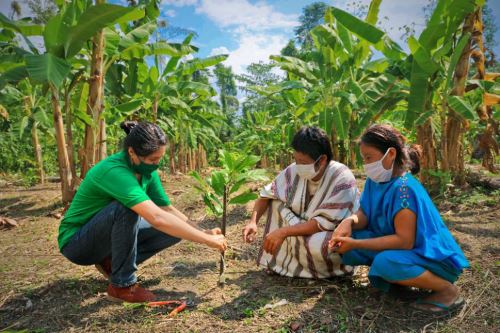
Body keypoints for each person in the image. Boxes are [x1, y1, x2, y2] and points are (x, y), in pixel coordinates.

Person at [58, 121, 227, 303]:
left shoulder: (146, 170)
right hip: (77, 243)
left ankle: (113, 263)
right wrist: (207, 241)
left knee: (174, 230)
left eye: (159, 158)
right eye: (153, 159)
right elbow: (156, 217)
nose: (156, 164)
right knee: (126, 208)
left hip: (103, 237)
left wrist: (202, 231)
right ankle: (122, 286)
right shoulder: (114, 171)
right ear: (132, 152)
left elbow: (166, 209)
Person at [329, 124, 469, 313]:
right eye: (364, 158)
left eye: (369, 157)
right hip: (408, 252)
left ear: (391, 154)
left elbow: (404, 241)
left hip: (431, 257)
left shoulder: (404, 189)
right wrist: (348, 222)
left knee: (383, 261)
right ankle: (398, 280)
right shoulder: (375, 181)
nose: (366, 164)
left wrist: (355, 243)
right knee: (349, 246)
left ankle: (447, 291)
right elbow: (365, 213)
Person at [242, 126, 359, 278]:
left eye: (303, 162)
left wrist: (282, 232)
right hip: (300, 226)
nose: (298, 166)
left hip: (328, 232)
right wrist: (253, 222)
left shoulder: (342, 178)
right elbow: (267, 194)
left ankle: (322, 269)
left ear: (322, 160)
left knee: (322, 245)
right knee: (275, 203)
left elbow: (322, 223)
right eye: (296, 160)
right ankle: (285, 264)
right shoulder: (294, 170)